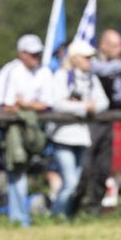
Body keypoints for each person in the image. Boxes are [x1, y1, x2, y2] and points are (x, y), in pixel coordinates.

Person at [0, 34, 53, 226]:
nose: (36, 57)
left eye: (38, 53)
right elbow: (6, 106)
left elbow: (47, 104)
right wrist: (30, 105)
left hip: (16, 125)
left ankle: (19, 219)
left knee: (18, 167)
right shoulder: (11, 71)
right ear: (21, 54)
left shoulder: (44, 72)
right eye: (32, 54)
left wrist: (23, 104)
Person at [80, 29, 121, 213]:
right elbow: (103, 69)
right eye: (115, 45)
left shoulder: (117, 69)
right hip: (90, 123)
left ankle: (96, 206)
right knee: (86, 165)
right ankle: (77, 205)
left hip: (109, 122)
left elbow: (118, 94)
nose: (120, 49)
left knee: (104, 166)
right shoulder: (91, 61)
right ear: (103, 46)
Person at [46, 40, 109, 218]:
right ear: (75, 58)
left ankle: (63, 215)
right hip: (63, 137)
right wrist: (84, 107)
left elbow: (103, 102)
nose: (90, 61)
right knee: (71, 182)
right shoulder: (61, 76)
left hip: (82, 136)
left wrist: (90, 107)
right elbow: (57, 104)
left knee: (76, 181)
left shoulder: (91, 78)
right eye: (86, 57)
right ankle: (57, 215)